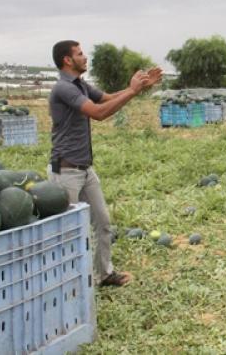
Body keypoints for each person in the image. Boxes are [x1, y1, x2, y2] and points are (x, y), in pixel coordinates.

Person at [48, 40, 162, 286]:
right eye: (80, 54)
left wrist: (138, 88)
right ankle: (67, 283)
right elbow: (99, 113)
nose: (85, 57)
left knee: (102, 222)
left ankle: (105, 273)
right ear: (67, 60)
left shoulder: (80, 85)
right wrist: (131, 91)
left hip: (84, 168)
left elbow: (107, 99)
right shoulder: (64, 89)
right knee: (67, 230)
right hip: (65, 170)